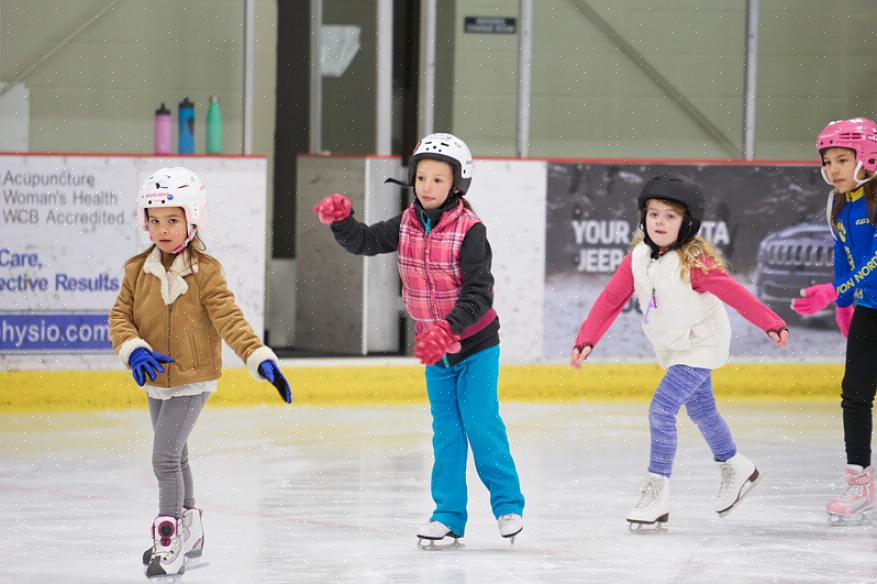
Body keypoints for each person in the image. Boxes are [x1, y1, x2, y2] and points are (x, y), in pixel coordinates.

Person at [312, 133, 525, 547]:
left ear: (457, 185)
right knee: (446, 434)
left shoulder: (470, 231)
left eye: (438, 180)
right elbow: (367, 241)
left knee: (481, 426)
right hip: (435, 352)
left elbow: (479, 294)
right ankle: (448, 516)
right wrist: (343, 222)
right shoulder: (407, 222)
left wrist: (448, 329)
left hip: (476, 346)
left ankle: (507, 504)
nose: (427, 187)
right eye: (422, 178)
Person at [569, 173, 789, 531]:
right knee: (702, 410)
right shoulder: (638, 259)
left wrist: (771, 322)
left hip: (702, 344)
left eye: (670, 216)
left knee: (662, 408)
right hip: (673, 346)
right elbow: (610, 300)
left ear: (686, 223)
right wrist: (586, 339)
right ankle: (735, 466)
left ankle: (657, 491)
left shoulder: (694, 263)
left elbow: (734, 293)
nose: (660, 222)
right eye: (654, 214)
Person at [109, 167, 291, 578]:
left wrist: (258, 357)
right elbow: (120, 316)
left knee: (164, 457)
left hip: (193, 378)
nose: (162, 229)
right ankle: (190, 530)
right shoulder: (137, 269)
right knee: (179, 454)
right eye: (153, 220)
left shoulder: (205, 270)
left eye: (172, 220)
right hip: (155, 380)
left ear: (192, 220)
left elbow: (229, 319)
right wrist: (134, 351)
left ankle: (168, 539)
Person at [792, 117, 877, 525]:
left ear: (868, 157)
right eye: (828, 162)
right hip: (871, 309)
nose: (833, 169)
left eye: (843, 159)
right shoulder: (839, 203)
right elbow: (844, 254)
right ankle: (860, 482)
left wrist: (835, 293)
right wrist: (842, 300)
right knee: (855, 394)